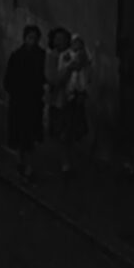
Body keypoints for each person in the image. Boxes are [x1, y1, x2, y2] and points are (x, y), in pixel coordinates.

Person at [3, 25, 46, 180]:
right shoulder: (17, 56)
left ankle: (28, 164)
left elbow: (44, 76)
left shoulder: (41, 56)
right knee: (19, 133)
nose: (32, 42)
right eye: (30, 38)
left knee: (30, 135)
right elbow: (8, 79)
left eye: (35, 38)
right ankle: (20, 160)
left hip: (33, 102)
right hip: (19, 101)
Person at [46, 27, 86, 177]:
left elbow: (84, 69)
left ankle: (68, 159)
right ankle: (65, 161)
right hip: (58, 100)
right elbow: (54, 79)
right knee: (61, 132)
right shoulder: (52, 56)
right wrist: (69, 69)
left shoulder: (72, 54)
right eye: (57, 39)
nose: (60, 42)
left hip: (71, 100)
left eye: (63, 39)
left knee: (70, 131)